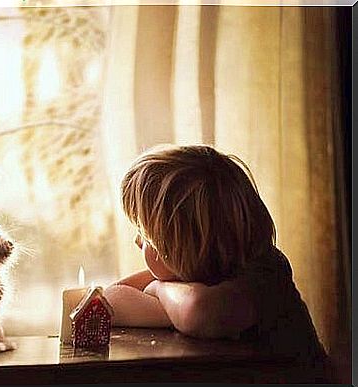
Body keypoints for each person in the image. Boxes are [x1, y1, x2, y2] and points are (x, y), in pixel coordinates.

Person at [104, 144, 326, 367]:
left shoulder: (266, 274)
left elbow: (200, 313)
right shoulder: (200, 270)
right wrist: (169, 310)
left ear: (180, 246)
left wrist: (160, 289)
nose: (137, 241)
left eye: (145, 236)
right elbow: (110, 299)